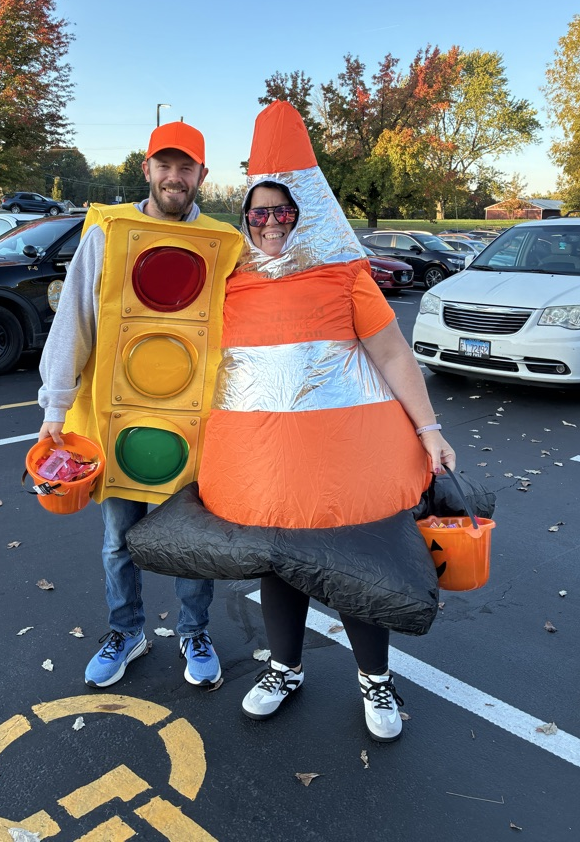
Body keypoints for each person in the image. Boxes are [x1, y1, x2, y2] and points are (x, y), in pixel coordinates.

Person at [127, 101, 456, 743]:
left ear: (301, 214)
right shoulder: (229, 281)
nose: (271, 223)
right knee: (279, 565)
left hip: (348, 471)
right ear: (245, 215)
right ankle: (284, 668)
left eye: (282, 212)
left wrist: (429, 429)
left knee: (359, 570)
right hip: (267, 476)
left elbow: (391, 353)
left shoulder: (345, 279)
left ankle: (375, 681)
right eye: (259, 212)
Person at [38, 120, 241, 690]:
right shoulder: (108, 232)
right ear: (147, 169)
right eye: (165, 165)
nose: (175, 177)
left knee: (193, 542)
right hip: (118, 418)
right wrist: (55, 408)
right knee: (116, 542)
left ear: (202, 175)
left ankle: (192, 630)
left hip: (195, 425)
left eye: (187, 168)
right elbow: (73, 318)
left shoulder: (224, 246)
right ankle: (126, 631)